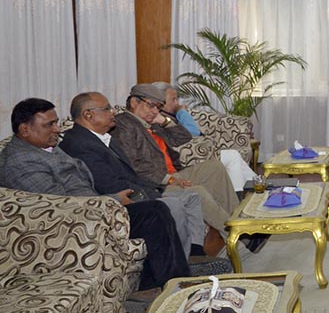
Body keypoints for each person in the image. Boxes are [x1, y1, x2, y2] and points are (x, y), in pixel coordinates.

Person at [0, 98, 190, 289]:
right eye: (49, 125)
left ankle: (167, 282)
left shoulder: (47, 147)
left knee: (156, 211)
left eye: (56, 122)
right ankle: (173, 286)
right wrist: (113, 200)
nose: (57, 129)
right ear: (24, 129)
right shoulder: (20, 161)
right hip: (74, 224)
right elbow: (58, 204)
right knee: (154, 212)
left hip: (93, 209)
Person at [59, 91, 219, 258]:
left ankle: (195, 253)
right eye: (107, 109)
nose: (113, 112)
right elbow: (110, 183)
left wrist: (164, 122)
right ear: (88, 115)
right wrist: (156, 193)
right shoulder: (79, 144)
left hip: (148, 186)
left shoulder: (105, 138)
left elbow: (132, 174)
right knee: (174, 205)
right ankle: (182, 264)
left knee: (192, 197)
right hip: (122, 201)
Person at [112, 84, 266, 252]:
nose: (155, 111)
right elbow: (134, 166)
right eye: (151, 105)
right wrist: (170, 179)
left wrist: (164, 121)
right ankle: (238, 235)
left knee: (215, 167)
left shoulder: (151, 123)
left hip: (173, 173)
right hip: (155, 183)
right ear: (134, 102)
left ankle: (241, 223)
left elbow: (184, 137)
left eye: (158, 107)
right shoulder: (125, 125)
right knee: (196, 191)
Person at [152, 81, 257, 191]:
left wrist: (179, 112)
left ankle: (258, 185)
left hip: (199, 151)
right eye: (173, 99)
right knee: (233, 156)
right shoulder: (160, 119)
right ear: (160, 101)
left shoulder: (168, 115)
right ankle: (243, 193)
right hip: (192, 157)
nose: (176, 103)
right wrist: (181, 112)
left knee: (234, 157)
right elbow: (193, 132)